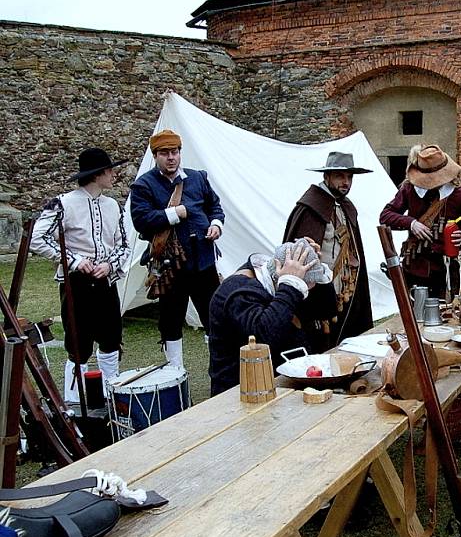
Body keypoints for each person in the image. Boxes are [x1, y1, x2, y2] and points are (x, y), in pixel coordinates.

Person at [30, 147, 130, 404]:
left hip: (106, 282)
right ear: (98, 174)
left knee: (110, 340)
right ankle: (75, 403)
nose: (113, 175)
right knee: (78, 345)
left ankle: (112, 396)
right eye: (109, 170)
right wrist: (74, 260)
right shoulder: (63, 203)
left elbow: (124, 246)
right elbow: (36, 238)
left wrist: (109, 265)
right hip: (77, 284)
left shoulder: (113, 206)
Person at [130, 129, 225, 369]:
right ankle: (175, 373)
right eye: (164, 153)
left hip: (203, 260)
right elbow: (141, 220)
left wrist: (216, 224)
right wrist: (174, 213)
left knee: (213, 317)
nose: (171, 157)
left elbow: (215, 207)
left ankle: (218, 368)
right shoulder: (144, 185)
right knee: (171, 322)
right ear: (156, 156)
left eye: (174, 152)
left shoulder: (198, 178)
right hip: (170, 265)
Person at [208, 239, 336, 396]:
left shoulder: (276, 283)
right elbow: (263, 337)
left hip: (283, 385)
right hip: (239, 393)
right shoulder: (236, 291)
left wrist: (315, 266)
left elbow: (326, 310)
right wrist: (290, 286)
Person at [283, 152, 373, 353]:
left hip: (344, 289)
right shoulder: (310, 208)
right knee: (319, 341)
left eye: (349, 177)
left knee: (345, 340)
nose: (346, 182)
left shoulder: (346, 206)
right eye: (340, 176)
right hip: (317, 290)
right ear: (327, 177)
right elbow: (299, 253)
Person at [379, 144, 461, 299]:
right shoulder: (409, 189)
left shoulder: (460, 194)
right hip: (415, 268)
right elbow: (385, 216)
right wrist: (412, 223)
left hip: (447, 270)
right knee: (416, 317)